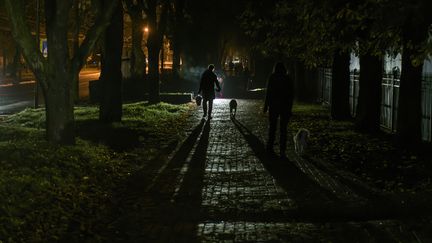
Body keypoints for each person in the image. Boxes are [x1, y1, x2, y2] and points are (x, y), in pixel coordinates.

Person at [263, 62, 294, 158]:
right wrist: (289, 107)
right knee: (283, 129)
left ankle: (270, 146)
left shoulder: (272, 77)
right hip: (284, 106)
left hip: (274, 105)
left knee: (272, 127)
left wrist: (266, 105)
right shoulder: (287, 78)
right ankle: (282, 150)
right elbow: (291, 94)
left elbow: (268, 92)